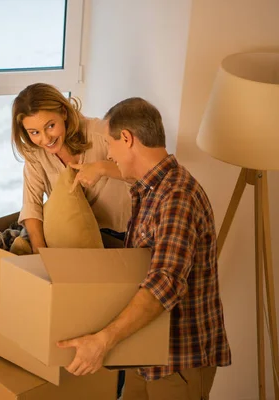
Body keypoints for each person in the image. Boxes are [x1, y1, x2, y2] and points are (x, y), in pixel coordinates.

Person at [56, 97, 231, 400]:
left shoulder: (177, 197)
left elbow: (165, 283)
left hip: (178, 361)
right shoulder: (150, 189)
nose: (110, 155)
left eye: (110, 146)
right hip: (145, 352)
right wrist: (99, 168)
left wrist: (103, 340)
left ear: (127, 138)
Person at [12, 83, 132, 254]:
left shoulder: (101, 132)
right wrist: (39, 251)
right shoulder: (35, 154)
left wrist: (102, 167)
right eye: (34, 132)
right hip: (74, 242)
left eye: (50, 126)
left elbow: (142, 171)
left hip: (123, 237)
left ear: (63, 112)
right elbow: (32, 204)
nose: (46, 139)